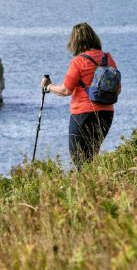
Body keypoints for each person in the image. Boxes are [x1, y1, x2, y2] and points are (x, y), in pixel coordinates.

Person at [40, 22, 119, 168]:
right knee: (92, 155)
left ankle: (90, 188)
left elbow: (66, 90)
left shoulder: (78, 62)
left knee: (79, 157)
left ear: (75, 41)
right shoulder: (108, 58)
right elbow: (118, 89)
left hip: (83, 116)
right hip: (106, 114)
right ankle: (97, 186)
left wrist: (49, 86)